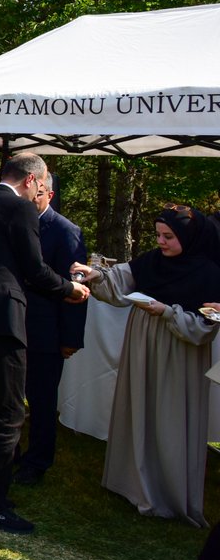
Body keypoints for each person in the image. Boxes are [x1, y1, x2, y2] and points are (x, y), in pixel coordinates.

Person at [0, 152, 88, 535]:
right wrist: (70, 288)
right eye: (41, 185)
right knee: (9, 412)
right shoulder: (19, 209)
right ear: (30, 180)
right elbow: (35, 269)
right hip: (1, 320)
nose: (42, 191)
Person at [70, 205, 220, 528]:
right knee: (139, 410)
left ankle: (167, 494)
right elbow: (122, 277)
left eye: (169, 236)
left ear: (189, 237)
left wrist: (167, 312)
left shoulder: (208, 273)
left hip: (178, 355)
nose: (161, 242)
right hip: (143, 345)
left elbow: (205, 327)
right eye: (158, 235)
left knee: (170, 419)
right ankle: (133, 484)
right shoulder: (152, 260)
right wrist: (96, 274)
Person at [14, 171, 87, 486]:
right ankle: (12, 452)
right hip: (14, 323)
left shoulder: (65, 231)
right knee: (14, 395)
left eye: (39, 194)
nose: (32, 199)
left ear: (50, 196)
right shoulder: (17, 222)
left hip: (45, 331)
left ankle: (38, 461)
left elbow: (74, 291)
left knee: (42, 401)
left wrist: (70, 338)